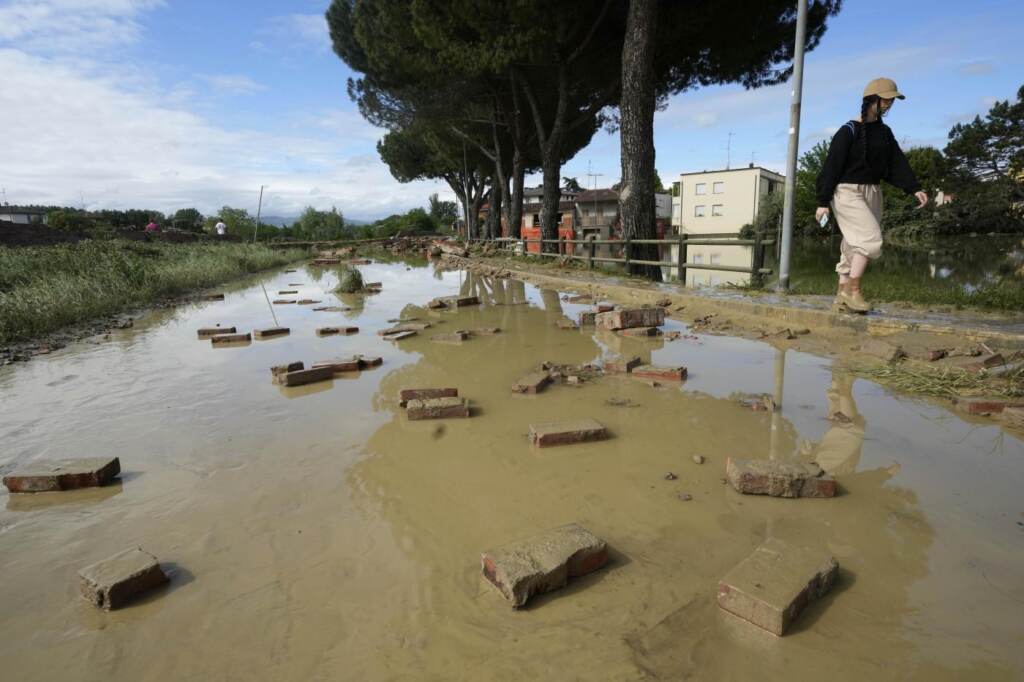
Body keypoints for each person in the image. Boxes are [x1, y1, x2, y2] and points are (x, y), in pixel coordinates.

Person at [815, 77, 928, 313]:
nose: (889, 104)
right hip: (846, 191)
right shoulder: (848, 131)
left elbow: (896, 162)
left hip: (873, 191)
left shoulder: (885, 133)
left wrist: (913, 187)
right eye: (886, 99)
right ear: (871, 99)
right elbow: (831, 166)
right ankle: (852, 291)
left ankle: (840, 292)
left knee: (853, 244)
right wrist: (822, 201)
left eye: (892, 100)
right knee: (870, 240)